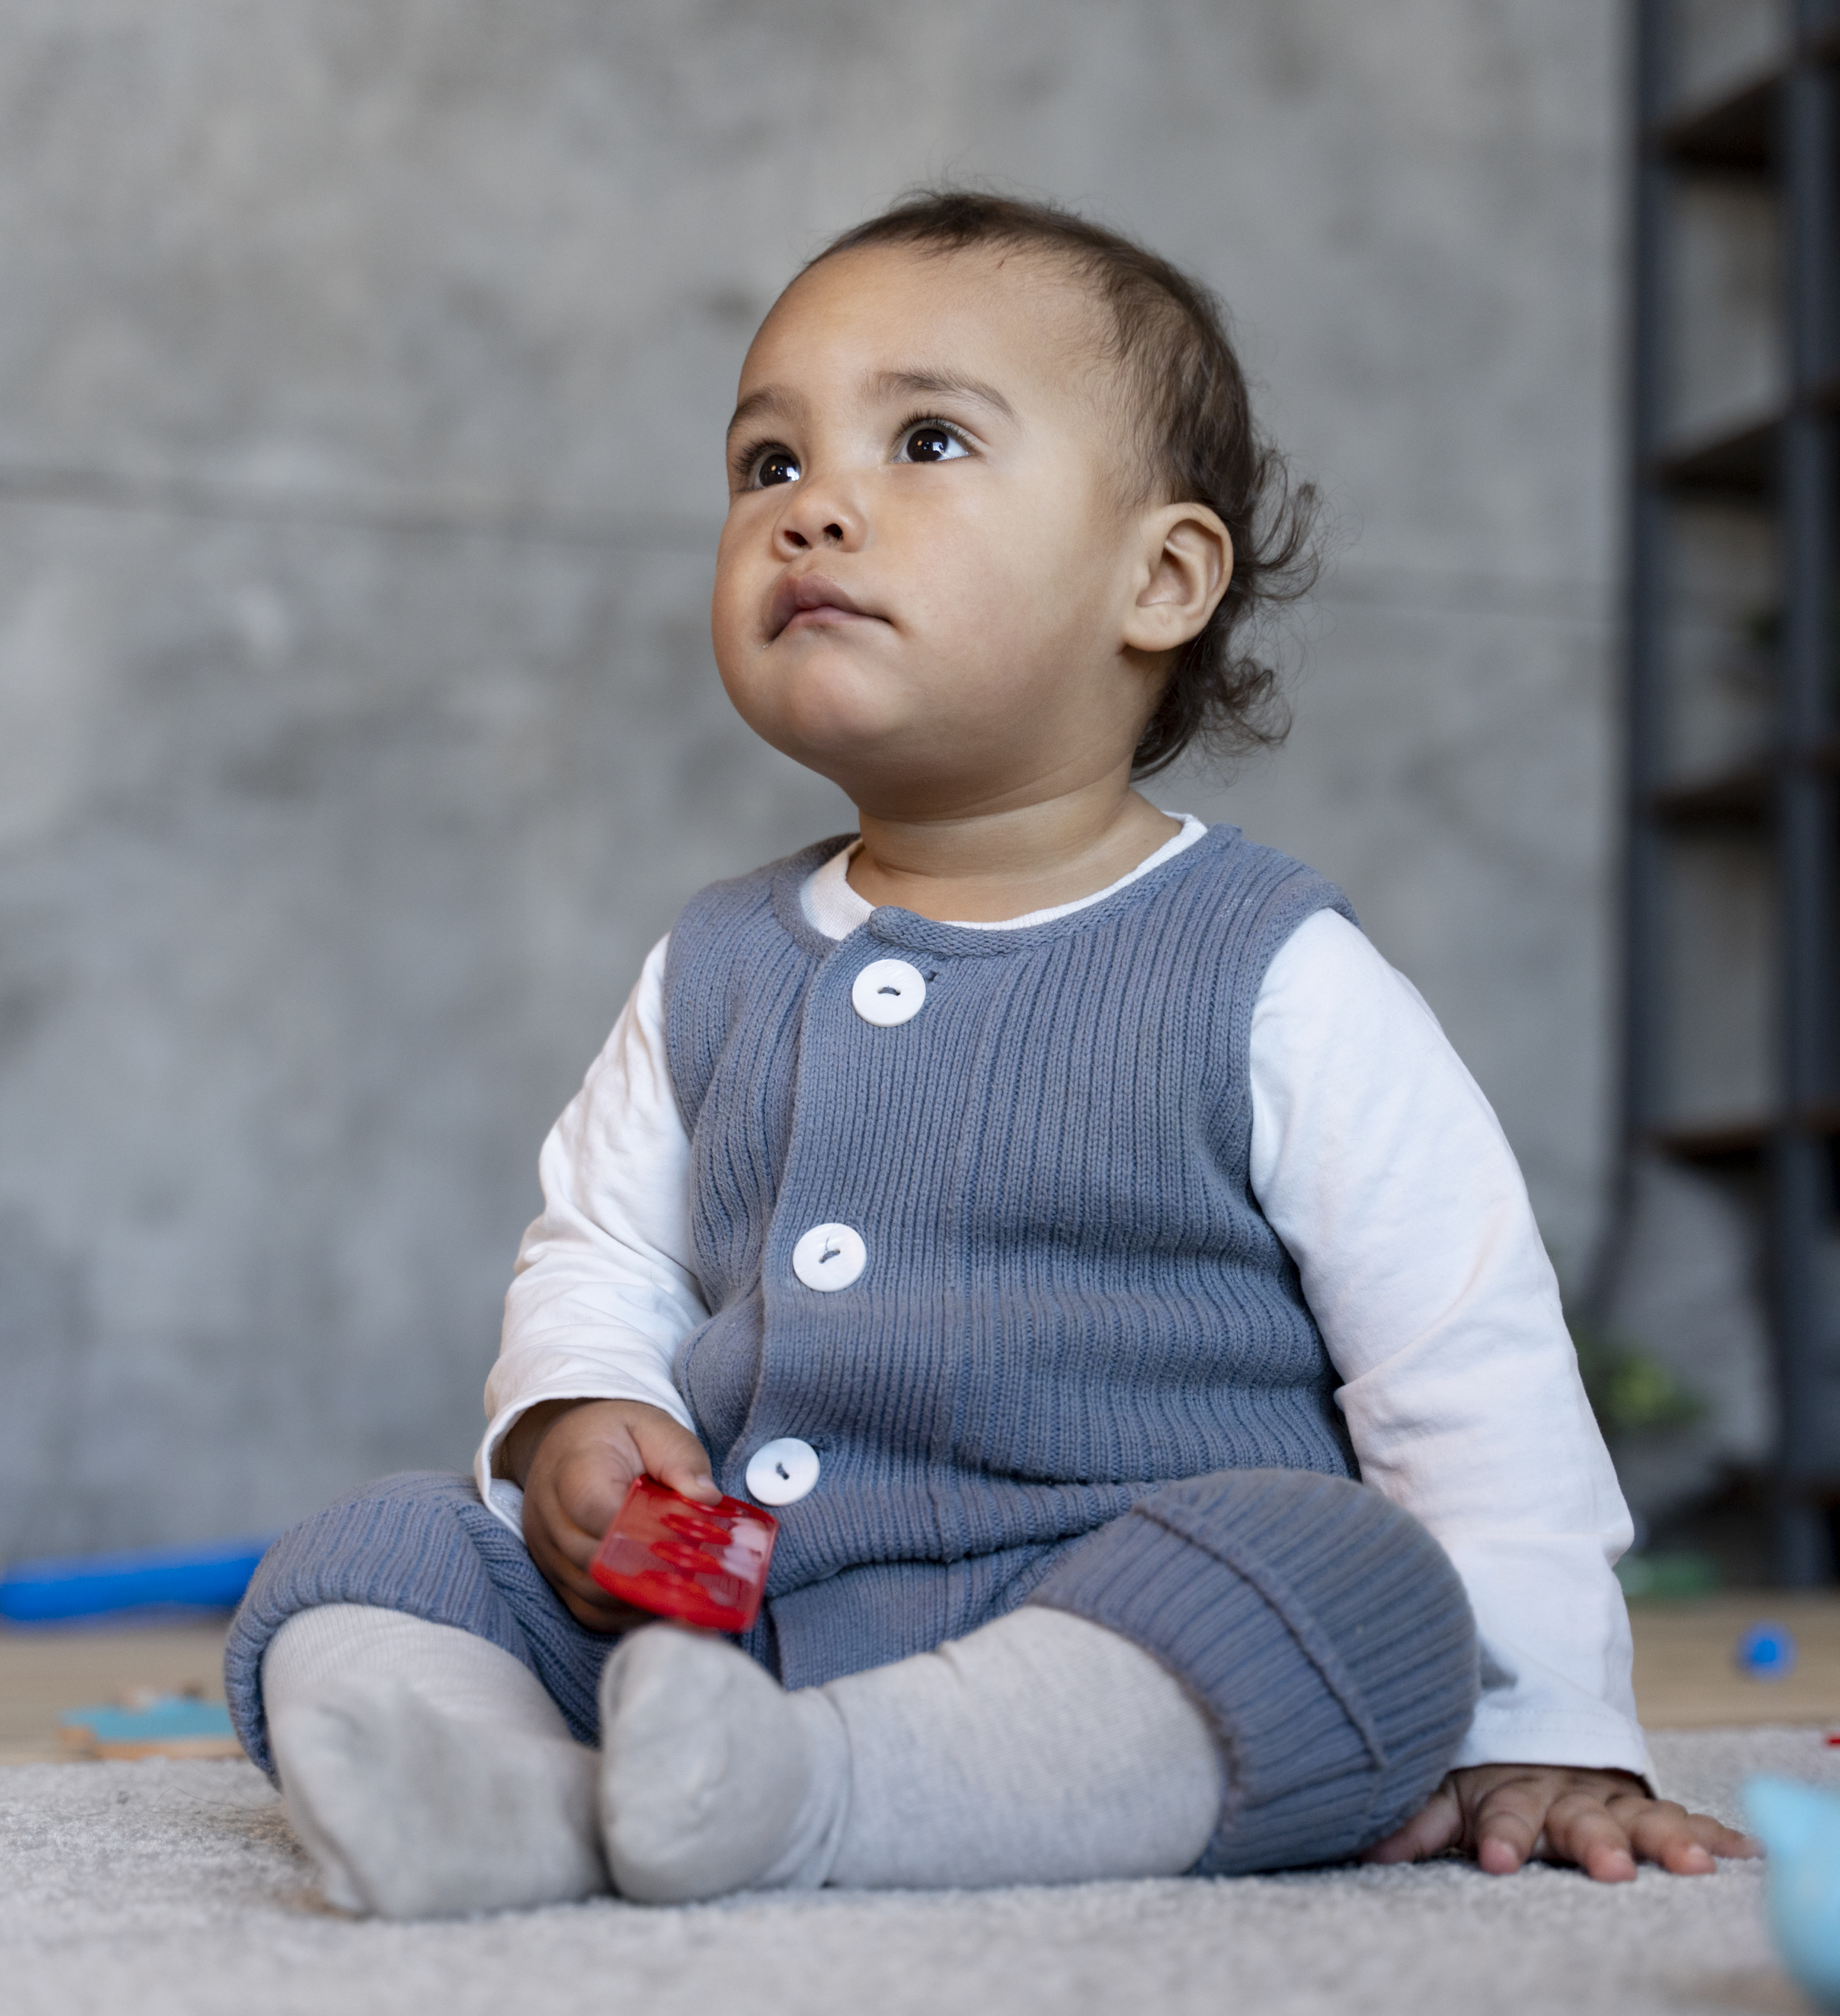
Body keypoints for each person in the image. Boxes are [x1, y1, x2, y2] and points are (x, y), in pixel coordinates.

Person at [225, 190, 1751, 1920]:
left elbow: (1463, 1365)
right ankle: (505, 1795)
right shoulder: (713, 961)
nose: (814, 511)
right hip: (727, 1612)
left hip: (1119, 1630)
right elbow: (602, 1249)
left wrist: (1550, 1718)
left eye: (926, 439)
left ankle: (835, 1792)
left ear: (1157, 578)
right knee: (377, 1552)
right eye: (763, 465)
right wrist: (591, 1409)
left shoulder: (1270, 972)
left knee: (1359, 1588)